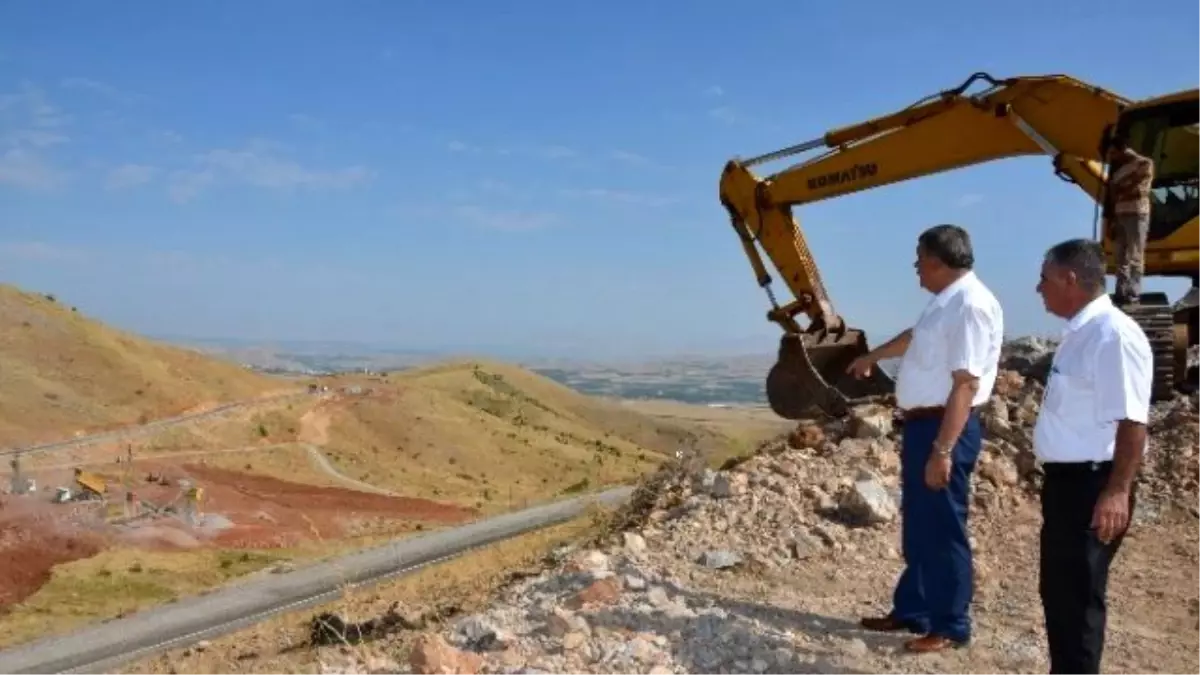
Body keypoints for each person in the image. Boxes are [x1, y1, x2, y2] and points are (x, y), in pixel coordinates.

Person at [845, 223, 1004, 653]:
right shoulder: (945, 303)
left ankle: (950, 625)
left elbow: (966, 385)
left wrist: (944, 449)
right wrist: (873, 356)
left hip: (943, 427)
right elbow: (916, 338)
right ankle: (914, 609)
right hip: (922, 425)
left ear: (936, 261)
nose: (915, 268)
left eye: (919, 260)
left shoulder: (970, 305)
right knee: (919, 525)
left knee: (943, 528)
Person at [1033, 238, 1152, 675]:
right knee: (1061, 595)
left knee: (1079, 602)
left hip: (1092, 486)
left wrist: (1117, 491)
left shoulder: (1111, 335)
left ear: (1070, 279)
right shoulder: (1081, 334)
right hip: (1069, 485)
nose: (1038, 289)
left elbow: (1133, 421)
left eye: (1044, 279)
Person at [1103, 136, 1155, 304]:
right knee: (1120, 256)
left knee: (1135, 255)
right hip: (1120, 215)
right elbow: (1113, 195)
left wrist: (1120, 189)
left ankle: (1134, 291)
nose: (1112, 157)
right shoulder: (1118, 171)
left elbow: (1138, 189)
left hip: (1137, 213)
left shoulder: (1144, 164)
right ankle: (1121, 290)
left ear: (1122, 149)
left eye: (1113, 153)